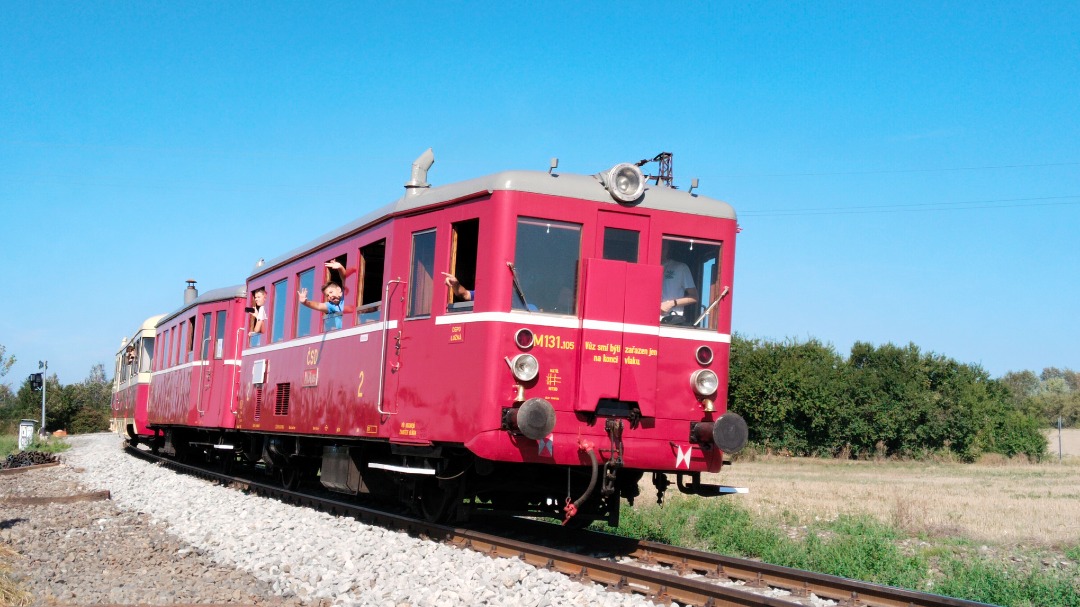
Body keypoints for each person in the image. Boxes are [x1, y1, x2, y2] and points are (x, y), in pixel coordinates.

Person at [660, 244, 699, 322]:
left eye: (665, 247)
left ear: (668, 249)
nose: (663, 249)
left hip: (670, 321)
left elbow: (694, 297)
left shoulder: (680, 268)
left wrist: (670, 303)